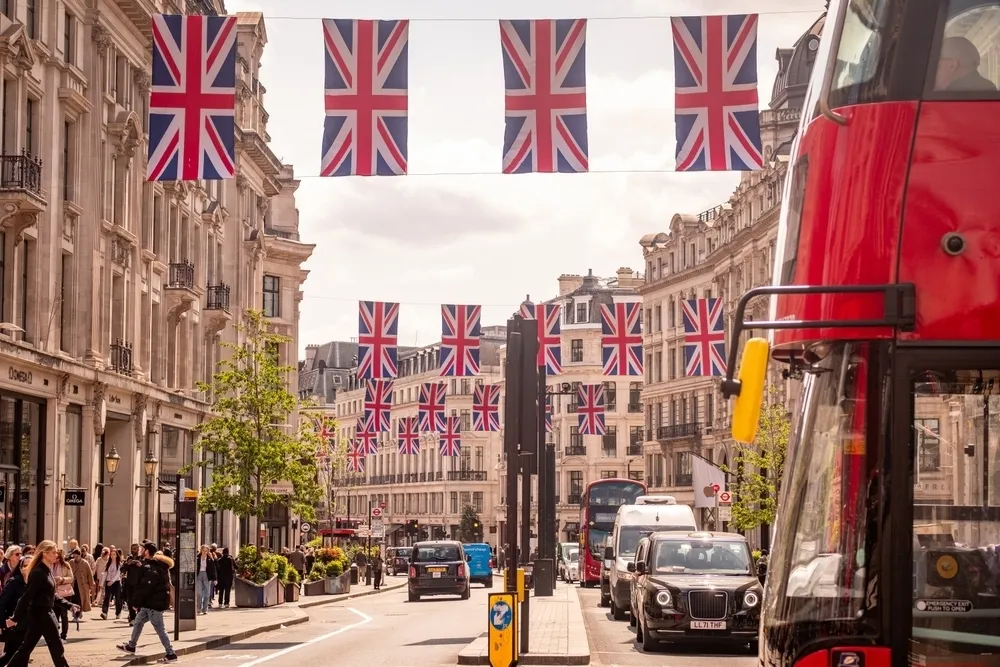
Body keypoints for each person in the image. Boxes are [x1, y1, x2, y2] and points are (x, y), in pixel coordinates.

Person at [4, 540, 80, 667]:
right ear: (44, 553)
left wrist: (69, 605)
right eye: (53, 552)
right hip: (42, 614)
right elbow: (26, 596)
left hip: (41, 614)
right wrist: (15, 618)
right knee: (56, 647)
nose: (56, 555)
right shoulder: (38, 572)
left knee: (26, 648)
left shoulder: (46, 570)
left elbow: (51, 595)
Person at [116, 543, 178, 663]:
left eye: (143, 549)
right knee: (138, 622)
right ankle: (131, 645)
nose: (141, 550)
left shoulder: (152, 567)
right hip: (149, 604)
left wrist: (136, 602)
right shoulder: (155, 566)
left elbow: (146, 587)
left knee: (160, 629)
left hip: (153, 604)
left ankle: (171, 654)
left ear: (147, 551)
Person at [0, 555, 27, 667]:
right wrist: (2, 624)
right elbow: (2, 604)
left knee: (23, 655)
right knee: (11, 655)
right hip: (14, 626)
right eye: (25, 565)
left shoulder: (36, 583)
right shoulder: (14, 582)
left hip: (30, 625)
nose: (28, 568)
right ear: (20, 568)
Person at [52, 551, 74, 641]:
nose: (55, 559)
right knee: (55, 614)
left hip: (64, 592)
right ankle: (55, 635)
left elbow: (71, 578)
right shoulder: (50, 565)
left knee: (64, 615)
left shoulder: (66, 565)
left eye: (57, 557)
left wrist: (62, 579)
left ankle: (63, 636)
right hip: (53, 592)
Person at [195, 545, 217, 615]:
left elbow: (214, 569)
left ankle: (205, 609)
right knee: (199, 593)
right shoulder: (197, 558)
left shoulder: (210, 559)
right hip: (199, 575)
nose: (205, 552)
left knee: (207, 594)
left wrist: (215, 579)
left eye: (206, 551)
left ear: (208, 551)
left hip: (207, 576)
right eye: (203, 550)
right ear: (201, 550)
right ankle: (198, 608)